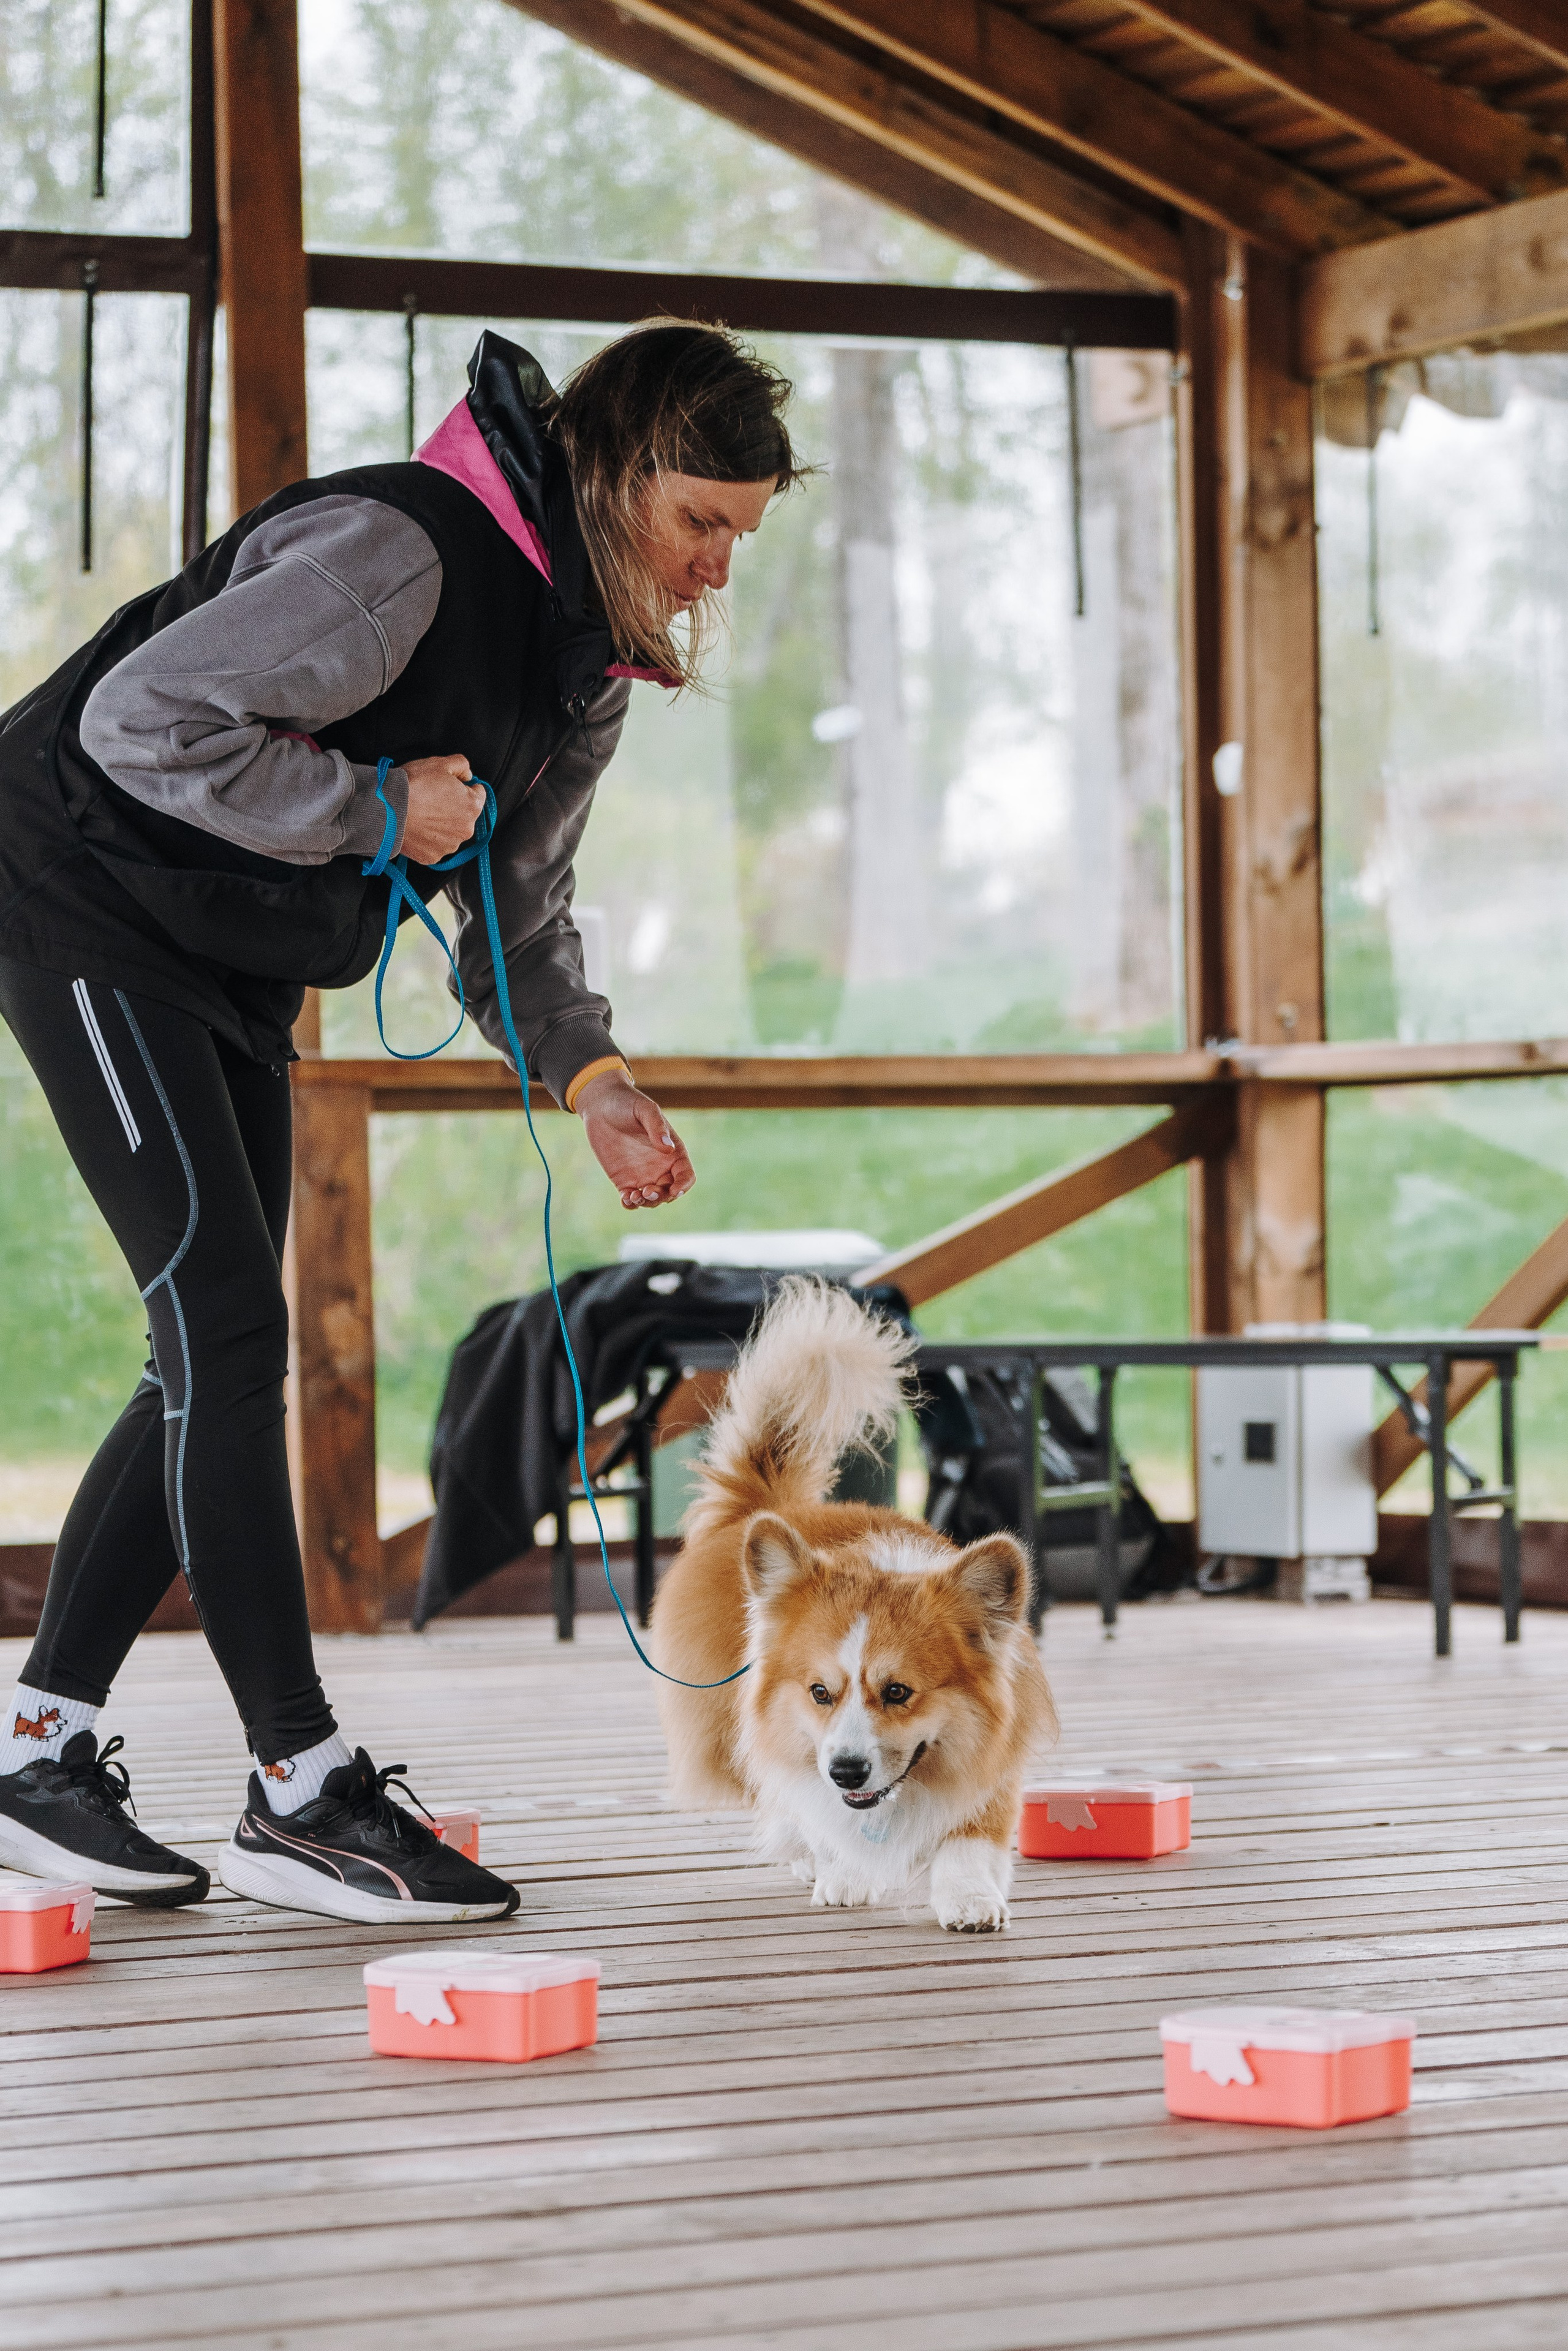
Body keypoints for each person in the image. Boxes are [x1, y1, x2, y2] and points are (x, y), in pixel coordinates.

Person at [0, 321, 801, 1922]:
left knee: (202, 1355)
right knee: (226, 1334)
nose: (716, 568)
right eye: (700, 523)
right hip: (76, 886)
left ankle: (37, 1753)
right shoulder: (401, 556)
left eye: (741, 538)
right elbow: (137, 727)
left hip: (229, 947)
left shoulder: (586, 666)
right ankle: (300, 1789)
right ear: (612, 474)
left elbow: (515, 900)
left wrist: (592, 1078)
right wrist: (371, 812)